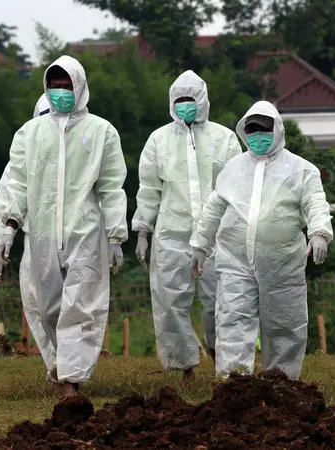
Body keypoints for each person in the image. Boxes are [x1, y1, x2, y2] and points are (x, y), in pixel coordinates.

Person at [0, 55, 128, 397]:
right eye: (54, 86)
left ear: (80, 87)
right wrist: (8, 228)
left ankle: (72, 382)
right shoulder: (30, 133)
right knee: (49, 307)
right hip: (41, 235)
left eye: (67, 85)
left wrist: (115, 235)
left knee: (81, 305)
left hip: (85, 233)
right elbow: (18, 185)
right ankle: (65, 366)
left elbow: (112, 186)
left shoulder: (102, 132)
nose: (60, 92)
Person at [189, 101, 333, 380]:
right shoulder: (233, 168)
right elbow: (214, 207)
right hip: (234, 260)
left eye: (264, 130)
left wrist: (319, 232)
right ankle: (234, 383)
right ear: (244, 132)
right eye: (252, 130)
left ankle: (281, 381)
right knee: (232, 320)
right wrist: (200, 246)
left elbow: (315, 201)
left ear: (277, 130)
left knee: (284, 323)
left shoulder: (301, 170)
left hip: (282, 263)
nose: (258, 136)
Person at [132, 70, 242, 380]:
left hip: (218, 235)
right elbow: (149, 188)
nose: (185, 105)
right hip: (172, 235)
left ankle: (225, 359)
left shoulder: (225, 139)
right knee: (170, 302)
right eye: (179, 100)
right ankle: (185, 368)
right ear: (171, 102)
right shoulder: (159, 140)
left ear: (203, 101)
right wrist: (143, 230)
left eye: (190, 100)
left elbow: (238, 187)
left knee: (222, 300)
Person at [0, 94, 56, 382]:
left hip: (78, 243)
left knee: (74, 308)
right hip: (35, 244)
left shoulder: (85, 156)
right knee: (38, 307)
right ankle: (57, 367)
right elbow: (6, 202)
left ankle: (73, 367)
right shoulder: (22, 162)